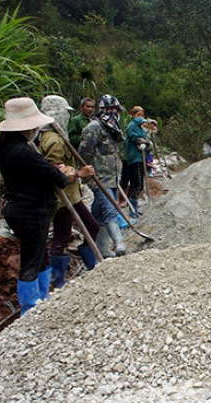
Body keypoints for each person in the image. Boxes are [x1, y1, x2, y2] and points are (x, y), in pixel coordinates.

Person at [0, 97, 72, 317]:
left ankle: (42, 296)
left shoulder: (7, 148)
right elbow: (55, 177)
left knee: (40, 252)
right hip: (30, 209)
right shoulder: (22, 151)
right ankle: (29, 308)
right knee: (31, 258)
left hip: (20, 207)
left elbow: (40, 170)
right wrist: (63, 172)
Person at [38, 95, 99, 287]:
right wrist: (79, 173)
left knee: (90, 226)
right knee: (62, 235)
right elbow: (53, 168)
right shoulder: (54, 140)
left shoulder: (54, 136)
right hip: (62, 196)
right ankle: (59, 279)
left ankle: (91, 267)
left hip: (71, 195)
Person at [78, 94, 127, 258]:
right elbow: (84, 154)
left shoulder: (112, 129)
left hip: (112, 177)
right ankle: (119, 242)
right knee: (109, 209)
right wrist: (86, 174)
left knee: (98, 213)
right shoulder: (94, 128)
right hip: (99, 178)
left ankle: (100, 249)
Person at [125, 105, 151, 218]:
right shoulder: (132, 126)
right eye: (138, 115)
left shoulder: (141, 128)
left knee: (140, 184)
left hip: (141, 158)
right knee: (136, 184)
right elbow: (136, 139)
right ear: (133, 115)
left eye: (142, 115)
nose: (140, 117)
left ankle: (134, 208)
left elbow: (147, 142)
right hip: (134, 158)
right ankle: (132, 209)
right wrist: (142, 142)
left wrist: (146, 144)